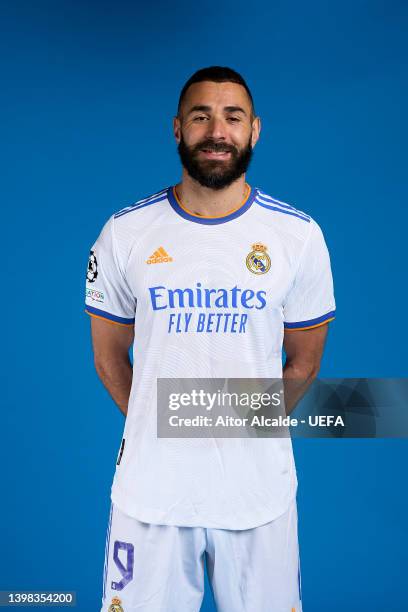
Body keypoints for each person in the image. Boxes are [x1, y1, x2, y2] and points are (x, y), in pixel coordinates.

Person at [85, 66, 335, 612]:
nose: (217, 130)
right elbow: (108, 354)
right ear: (178, 128)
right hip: (151, 495)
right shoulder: (125, 233)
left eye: (232, 117)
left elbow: (304, 364)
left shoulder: (299, 237)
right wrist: (157, 421)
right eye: (201, 116)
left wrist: (232, 426)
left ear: (255, 130)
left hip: (257, 496)